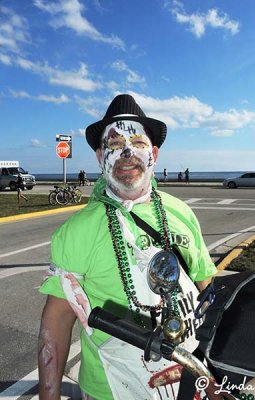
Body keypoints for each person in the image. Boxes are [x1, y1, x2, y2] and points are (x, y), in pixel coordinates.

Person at [38, 94, 217, 400]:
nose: (126, 153)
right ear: (99, 157)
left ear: (155, 154)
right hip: (109, 389)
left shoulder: (181, 213)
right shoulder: (77, 232)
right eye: (114, 144)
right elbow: (56, 322)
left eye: (138, 142)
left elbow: (206, 289)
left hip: (187, 384)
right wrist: (48, 396)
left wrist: (214, 375)